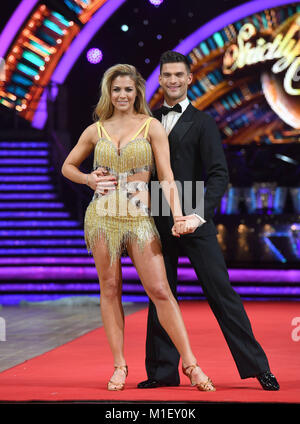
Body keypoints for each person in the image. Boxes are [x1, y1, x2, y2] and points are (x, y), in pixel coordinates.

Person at [97, 52, 280, 391]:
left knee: (220, 291)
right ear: (160, 79)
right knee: (160, 292)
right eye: (167, 75)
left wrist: (197, 214)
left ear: (189, 78)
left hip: (193, 208)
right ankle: (162, 372)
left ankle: (258, 367)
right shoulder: (143, 121)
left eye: (179, 75)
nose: (173, 81)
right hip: (153, 214)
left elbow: (218, 175)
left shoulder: (204, 122)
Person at [61, 63, 216, 392]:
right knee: (110, 289)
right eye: (116, 89)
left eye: (127, 89)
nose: (121, 95)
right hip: (101, 217)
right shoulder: (95, 130)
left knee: (160, 290)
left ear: (137, 93)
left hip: (139, 217)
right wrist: (89, 179)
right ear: (109, 92)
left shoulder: (151, 127)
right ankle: (119, 365)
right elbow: (67, 167)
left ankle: (191, 364)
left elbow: (168, 178)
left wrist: (177, 216)